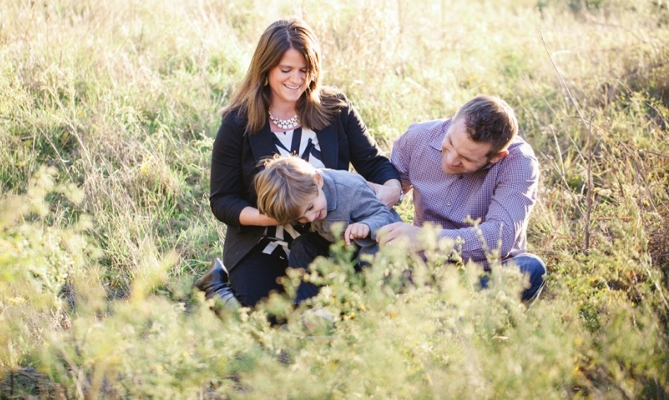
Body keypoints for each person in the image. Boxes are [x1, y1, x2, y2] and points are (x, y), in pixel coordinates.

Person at [197, 17, 402, 308]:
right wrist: (281, 215)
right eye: (286, 70)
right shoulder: (238, 123)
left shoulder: (335, 109)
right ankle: (217, 287)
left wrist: (392, 187)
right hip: (265, 239)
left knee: (340, 309)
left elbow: (373, 162)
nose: (296, 79)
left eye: (304, 70)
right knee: (267, 317)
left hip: (328, 237)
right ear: (265, 67)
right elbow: (222, 201)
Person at [377, 95, 546, 302]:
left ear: (496, 157)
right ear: (453, 120)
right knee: (366, 256)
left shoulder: (518, 163)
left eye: (467, 159)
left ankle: (438, 307)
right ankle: (442, 307)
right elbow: (385, 191)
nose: (450, 160)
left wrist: (425, 238)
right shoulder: (417, 138)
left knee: (531, 268)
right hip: (423, 268)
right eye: (449, 143)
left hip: (484, 274)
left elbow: (498, 238)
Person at [253, 155, 402, 303]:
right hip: (342, 249)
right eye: (301, 218)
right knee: (302, 245)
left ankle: (377, 299)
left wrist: (367, 225)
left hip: (375, 251)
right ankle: (307, 307)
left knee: (377, 266)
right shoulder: (306, 191)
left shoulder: (350, 190)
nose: (310, 219)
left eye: (311, 207)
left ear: (318, 180)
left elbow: (384, 215)